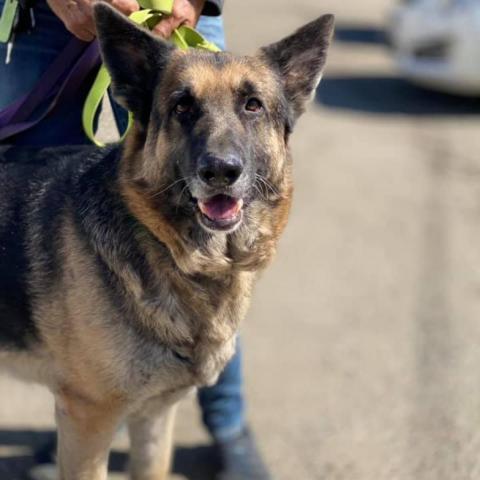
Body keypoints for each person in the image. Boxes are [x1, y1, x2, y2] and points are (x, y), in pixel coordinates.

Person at [0, 1, 272, 479]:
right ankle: (89, 414)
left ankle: (228, 427)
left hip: (179, 9)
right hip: (46, 15)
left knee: (206, 283)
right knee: (90, 377)